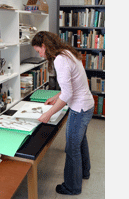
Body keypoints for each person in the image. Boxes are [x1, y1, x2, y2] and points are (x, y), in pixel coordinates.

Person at [31, 31, 94, 195]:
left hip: (79, 109)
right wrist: (55, 96)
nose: (40, 55)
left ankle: (72, 187)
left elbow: (68, 94)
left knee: (72, 148)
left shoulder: (60, 60)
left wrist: (48, 114)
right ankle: (85, 172)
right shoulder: (67, 52)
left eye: (39, 51)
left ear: (44, 46)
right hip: (87, 105)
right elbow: (73, 85)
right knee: (80, 141)